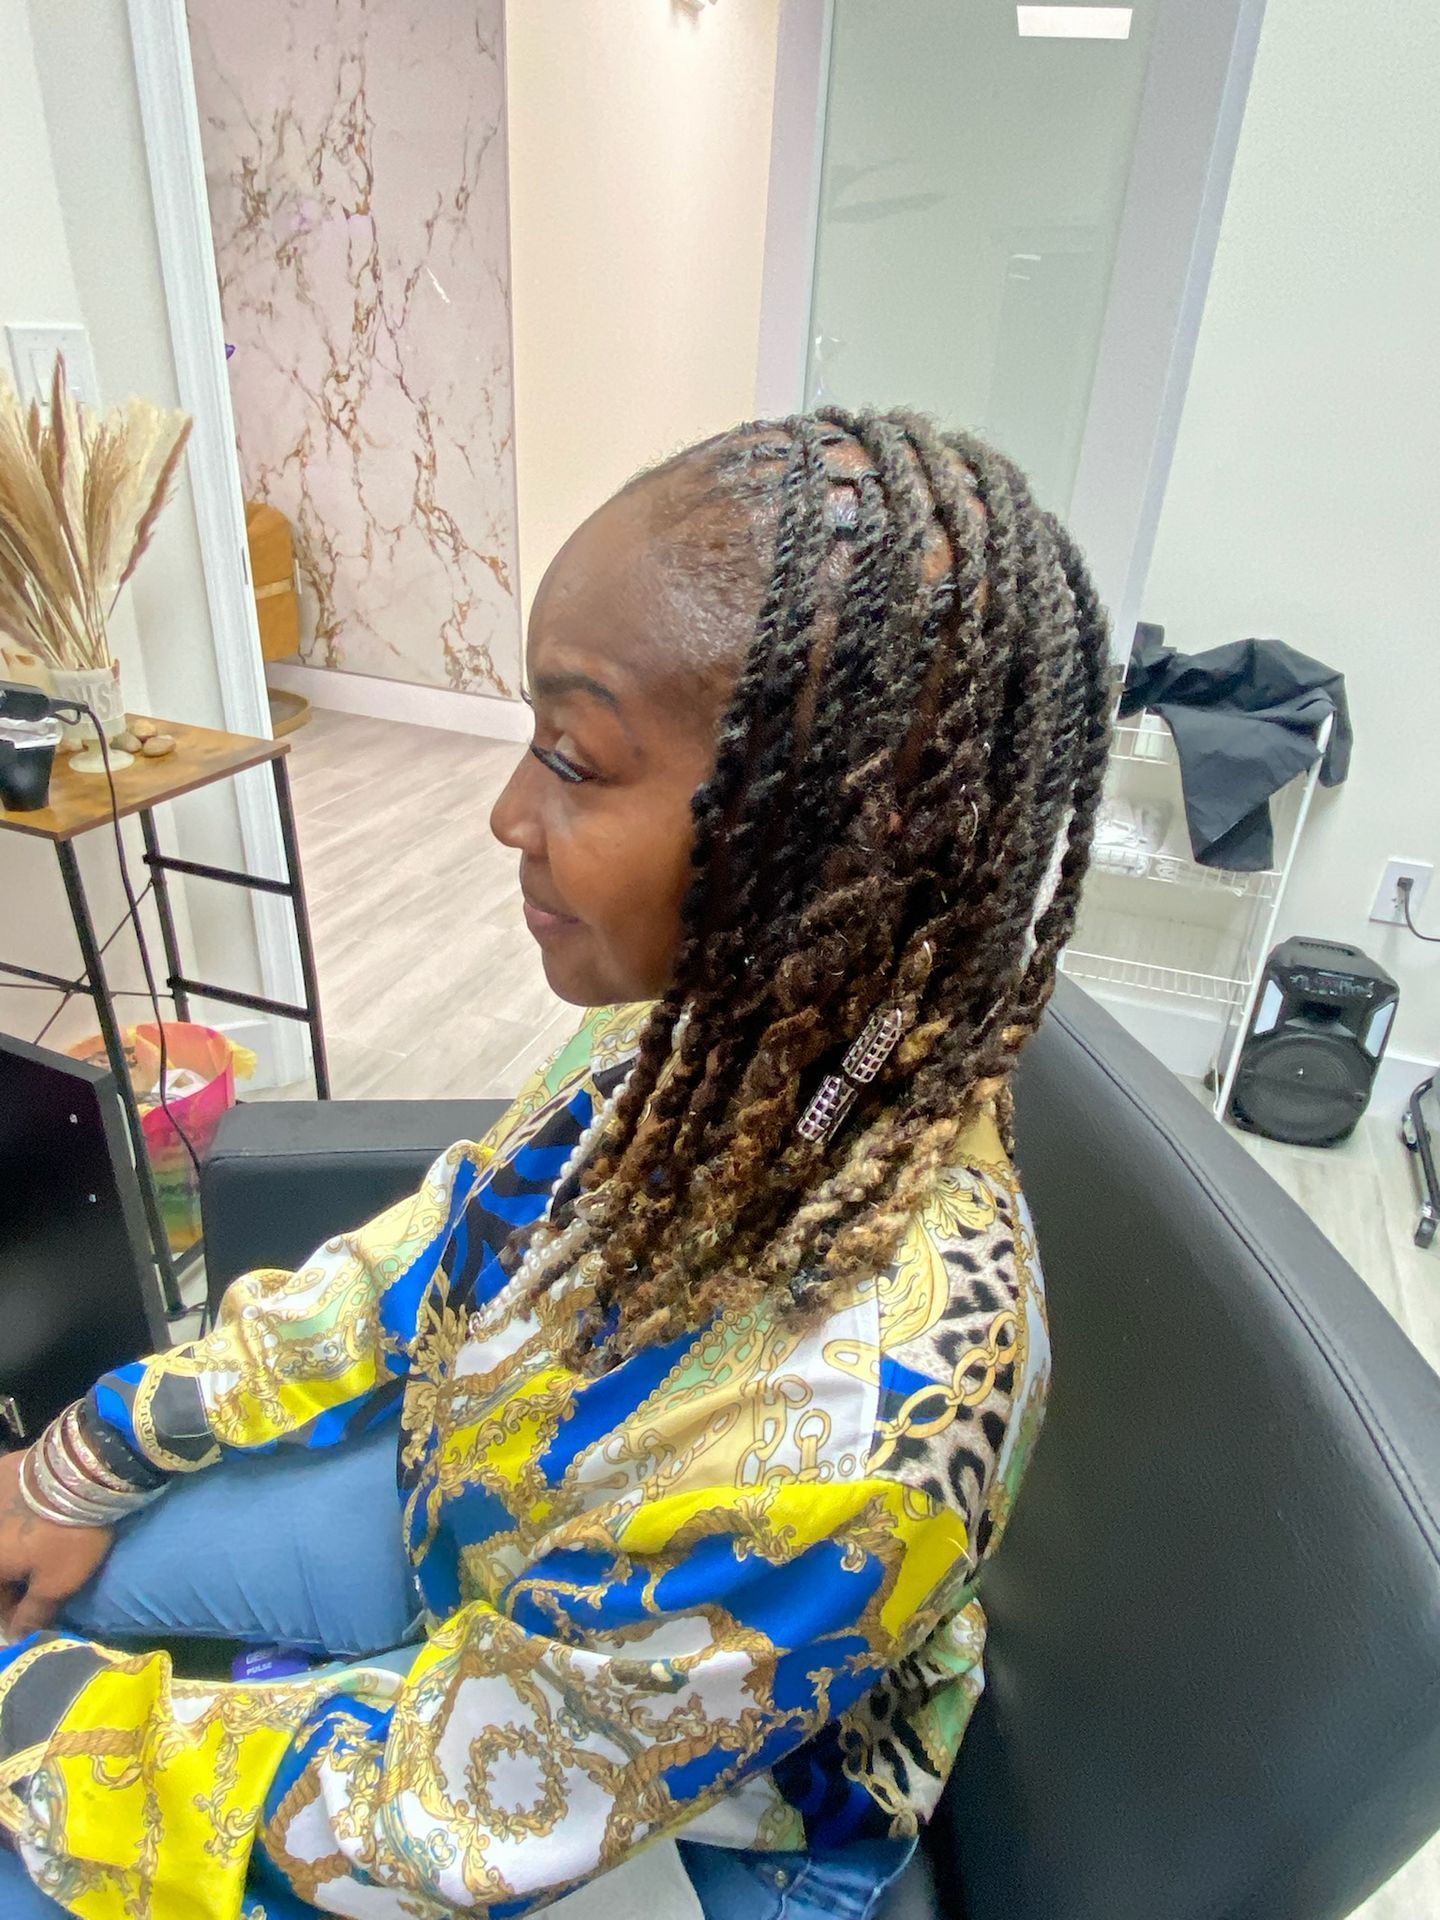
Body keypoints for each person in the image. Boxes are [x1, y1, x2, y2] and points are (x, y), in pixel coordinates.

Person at [0, 411, 1110, 1920]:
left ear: (856, 823)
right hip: (484, 1545)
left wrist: (45, 1732)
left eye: (577, 761)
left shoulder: (857, 1423)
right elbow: (439, 1242)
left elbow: (417, 1823)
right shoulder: (721, 1029)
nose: (508, 812)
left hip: (684, 1826)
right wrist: (98, 1452)